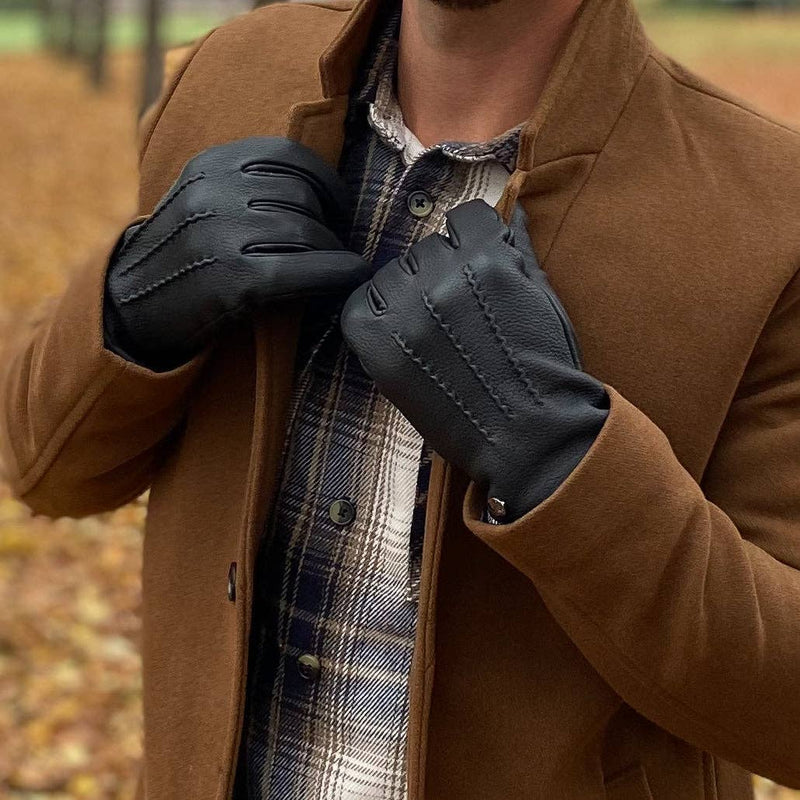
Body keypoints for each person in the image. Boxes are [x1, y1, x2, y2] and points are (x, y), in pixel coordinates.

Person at [3, 0, 800, 796]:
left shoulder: (767, 211)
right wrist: (132, 299)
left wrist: (562, 460)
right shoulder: (232, 76)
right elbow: (42, 465)